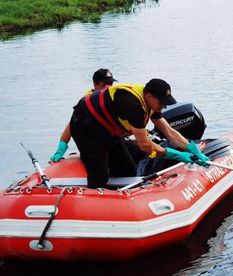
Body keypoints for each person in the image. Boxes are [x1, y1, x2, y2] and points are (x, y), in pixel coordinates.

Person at [69, 78, 209, 188]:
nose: (165, 106)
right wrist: (177, 155)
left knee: (127, 171)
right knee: (99, 176)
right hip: (85, 129)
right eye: (162, 102)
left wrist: (192, 148)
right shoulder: (133, 105)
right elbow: (145, 145)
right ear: (149, 96)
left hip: (107, 131)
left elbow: (169, 132)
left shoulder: (150, 104)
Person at [50, 69, 118, 162]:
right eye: (105, 84)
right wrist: (60, 151)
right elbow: (71, 125)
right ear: (95, 84)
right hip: (94, 144)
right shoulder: (87, 101)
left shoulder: (112, 96)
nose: (108, 87)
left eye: (110, 84)